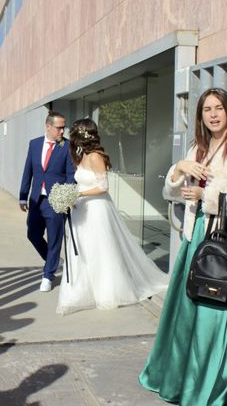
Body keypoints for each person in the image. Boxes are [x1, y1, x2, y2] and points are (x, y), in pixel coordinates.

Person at [140, 88, 227, 405]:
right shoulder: (199, 146)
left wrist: (205, 197)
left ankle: (210, 386)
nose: (212, 114)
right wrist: (181, 168)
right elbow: (172, 191)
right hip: (196, 236)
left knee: (215, 317)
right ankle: (184, 380)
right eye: (207, 109)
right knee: (188, 315)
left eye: (218, 108)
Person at [56, 118, 166, 315]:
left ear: (82, 136)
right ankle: (80, 292)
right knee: (82, 251)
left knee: (100, 250)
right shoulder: (82, 155)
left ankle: (107, 292)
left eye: (73, 134)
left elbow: (103, 187)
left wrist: (78, 194)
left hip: (97, 210)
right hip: (81, 210)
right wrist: (71, 198)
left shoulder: (96, 156)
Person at [19, 111, 75, 292]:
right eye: (59, 127)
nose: (62, 131)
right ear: (48, 126)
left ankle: (47, 276)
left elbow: (71, 175)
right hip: (36, 199)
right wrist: (23, 194)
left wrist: (64, 196)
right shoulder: (34, 144)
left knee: (54, 239)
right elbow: (28, 170)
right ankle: (54, 261)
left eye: (63, 127)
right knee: (32, 234)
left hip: (56, 200)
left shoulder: (67, 146)